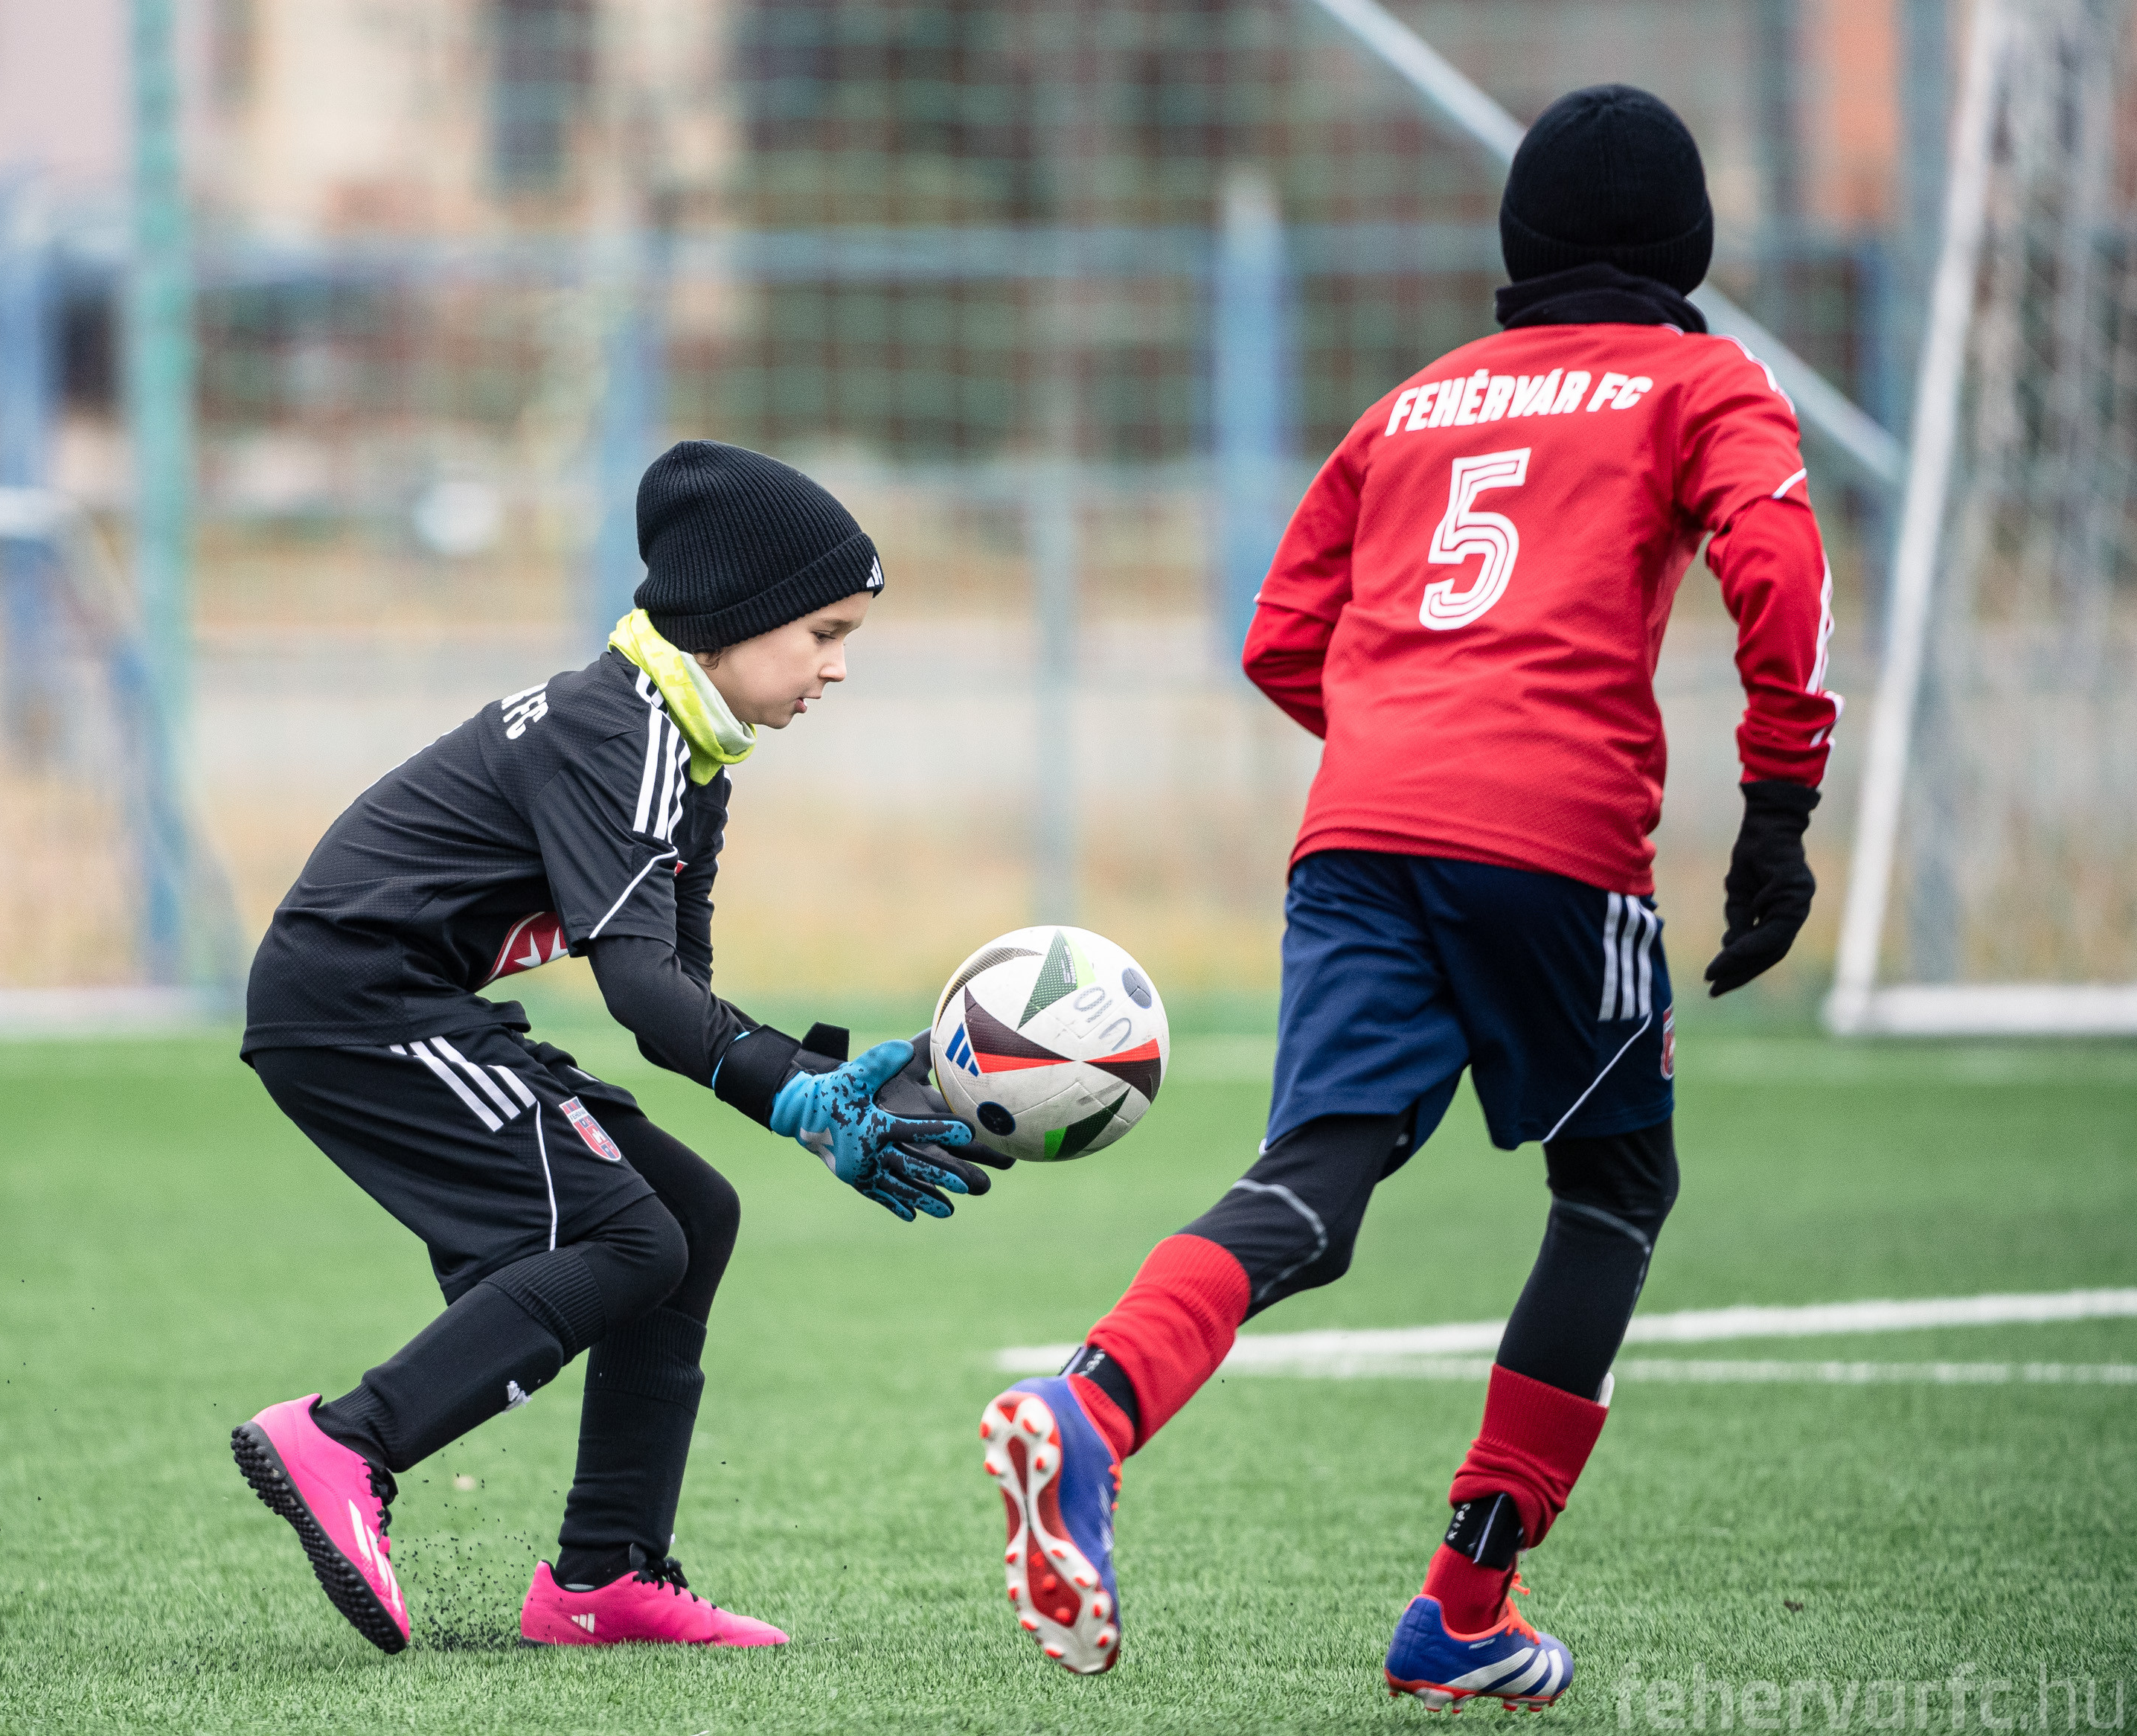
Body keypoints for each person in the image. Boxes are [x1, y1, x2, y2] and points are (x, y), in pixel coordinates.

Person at [978, 86, 1837, 1704]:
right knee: (1612, 1193)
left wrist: (1409, 743)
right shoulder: (1703, 380)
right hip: (1554, 841)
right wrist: (1779, 806)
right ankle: (1462, 1605)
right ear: (1688, 245)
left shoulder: (1415, 403)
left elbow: (1280, 637)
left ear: (1518, 241)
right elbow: (1777, 566)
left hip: (1357, 833)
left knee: (1312, 1183)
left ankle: (1089, 1406)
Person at [231, 440, 993, 1654]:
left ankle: (605, 1575)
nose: (839, 667)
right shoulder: (618, 732)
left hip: (406, 1000)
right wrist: (797, 1094)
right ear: (732, 618)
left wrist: (821, 1094)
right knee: (631, 1237)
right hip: (354, 1004)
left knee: (692, 1213)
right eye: (824, 633)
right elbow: (641, 993)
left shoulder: (685, 747)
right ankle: (345, 1439)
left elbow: (679, 992)